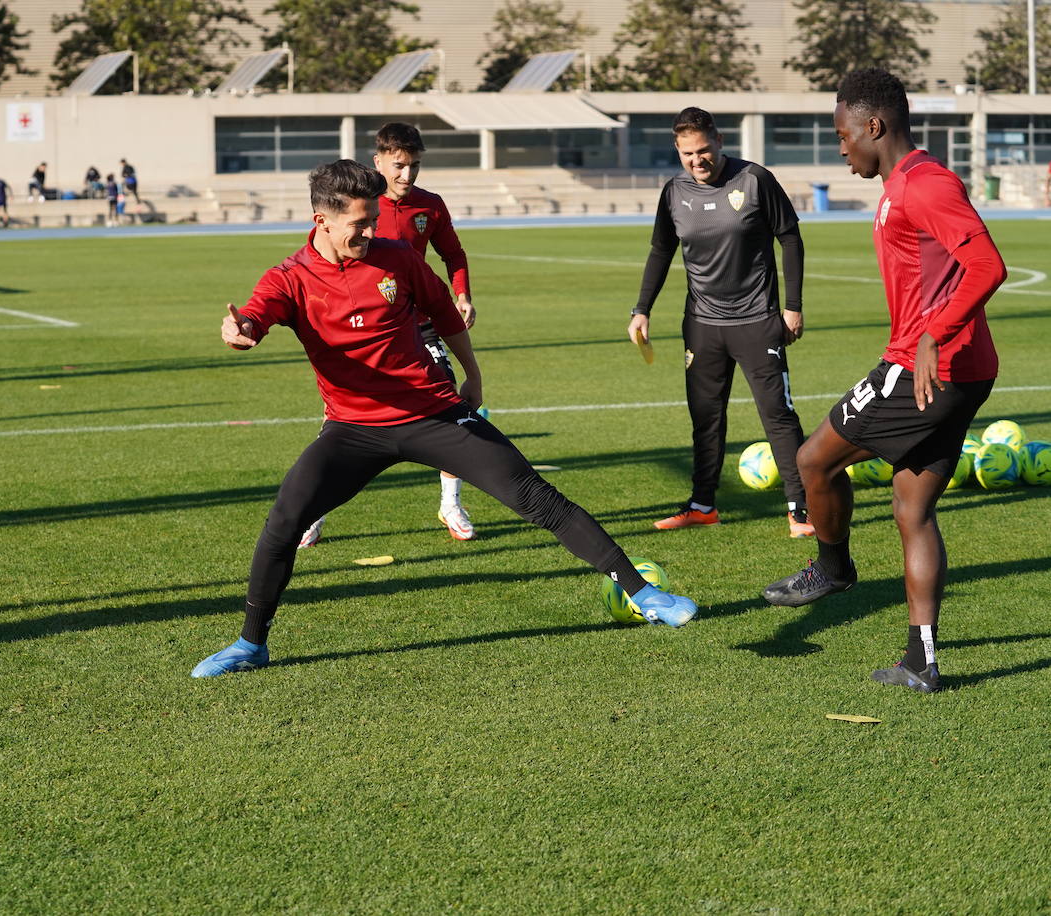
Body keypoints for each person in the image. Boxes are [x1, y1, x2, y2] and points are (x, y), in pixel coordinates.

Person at [191, 160, 698, 678]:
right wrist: (242, 330)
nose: (370, 232)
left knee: (535, 496)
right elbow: (256, 315)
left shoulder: (399, 259)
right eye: (359, 224)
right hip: (354, 429)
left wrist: (472, 374)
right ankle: (250, 645)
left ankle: (645, 593)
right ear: (321, 219)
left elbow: (446, 315)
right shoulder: (290, 278)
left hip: (434, 413)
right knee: (283, 523)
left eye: (373, 221)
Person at [761, 68, 1006, 694]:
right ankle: (921, 660)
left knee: (814, 462)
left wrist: (931, 334)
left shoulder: (925, 185)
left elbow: (987, 263)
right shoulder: (902, 183)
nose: (841, 147)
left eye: (844, 135)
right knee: (912, 509)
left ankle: (833, 569)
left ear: (875, 125)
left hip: (926, 369)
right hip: (960, 371)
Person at [631, 107, 813, 539]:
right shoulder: (673, 192)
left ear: (719, 140)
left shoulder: (754, 180)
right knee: (705, 418)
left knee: (778, 416)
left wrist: (793, 306)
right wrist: (641, 308)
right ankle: (702, 505)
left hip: (757, 320)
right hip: (701, 324)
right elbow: (661, 251)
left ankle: (801, 509)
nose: (698, 160)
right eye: (688, 153)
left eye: (704, 150)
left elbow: (789, 237)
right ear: (677, 151)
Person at [298, 121, 478, 548]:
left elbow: (452, 253)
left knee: (450, 403)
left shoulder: (430, 205)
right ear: (378, 162)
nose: (407, 175)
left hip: (420, 323)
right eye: (398, 166)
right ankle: (314, 511)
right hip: (366, 330)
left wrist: (462, 294)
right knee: (341, 419)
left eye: (414, 166)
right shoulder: (356, 205)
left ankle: (450, 503)